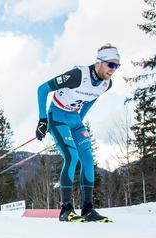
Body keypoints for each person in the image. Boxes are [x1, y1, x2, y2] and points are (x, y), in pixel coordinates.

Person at [35, 44, 120, 222]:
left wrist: (79, 119)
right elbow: (42, 89)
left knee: (88, 158)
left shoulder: (106, 84)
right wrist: (43, 120)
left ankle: (88, 210)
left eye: (117, 65)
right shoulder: (78, 76)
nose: (114, 69)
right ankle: (66, 210)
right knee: (72, 157)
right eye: (111, 64)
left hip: (74, 119)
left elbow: (90, 99)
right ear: (99, 62)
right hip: (57, 116)